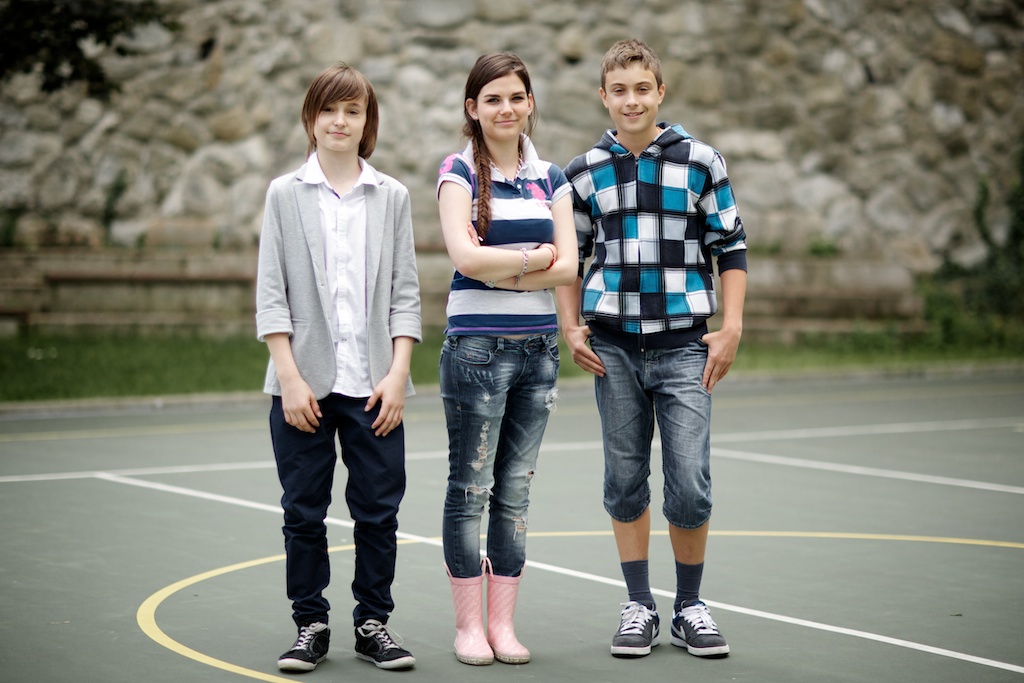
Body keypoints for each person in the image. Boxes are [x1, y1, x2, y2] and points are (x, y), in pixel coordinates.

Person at [557, 39, 746, 660]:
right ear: (603, 97)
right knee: (623, 477)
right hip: (612, 348)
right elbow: (570, 259)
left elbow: (731, 247)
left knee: (689, 480)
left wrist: (732, 326)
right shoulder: (584, 171)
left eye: (643, 89)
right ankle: (638, 604)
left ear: (660, 92)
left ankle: (690, 606)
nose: (631, 100)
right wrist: (570, 325)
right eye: (619, 90)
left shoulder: (701, 161)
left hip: (685, 346)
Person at [255, 62, 422, 673]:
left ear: (367, 122)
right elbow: (271, 294)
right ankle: (311, 625)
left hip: (375, 385)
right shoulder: (284, 194)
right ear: (311, 118)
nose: (340, 121)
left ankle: (374, 624)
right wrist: (290, 377)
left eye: (353, 110)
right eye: (329, 109)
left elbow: (405, 293)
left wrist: (398, 374)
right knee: (303, 513)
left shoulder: (392, 196)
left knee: (378, 512)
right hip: (302, 386)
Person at [436, 52, 578, 666]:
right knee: (471, 487)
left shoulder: (552, 177)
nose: (506, 108)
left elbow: (569, 267)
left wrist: (505, 269)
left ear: (530, 103)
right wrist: (531, 260)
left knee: (515, 491)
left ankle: (502, 626)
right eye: (492, 99)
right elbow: (464, 258)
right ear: (473, 108)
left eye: (516, 97)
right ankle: (469, 628)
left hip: (539, 351)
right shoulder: (458, 173)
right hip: (476, 350)